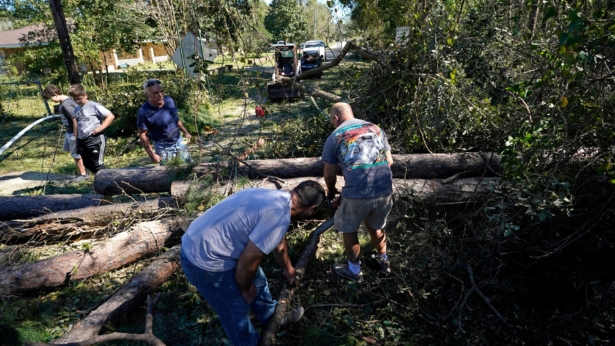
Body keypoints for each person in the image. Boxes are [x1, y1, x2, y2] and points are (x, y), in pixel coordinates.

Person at [180, 180, 326, 346]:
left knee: (258, 280)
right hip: (204, 261)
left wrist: (289, 268)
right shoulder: (278, 214)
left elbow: (277, 238)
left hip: (203, 243)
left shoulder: (273, 198)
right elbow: (247, 262)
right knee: (235, 311)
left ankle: (273, 318)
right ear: (311, 209)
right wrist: (246, 289)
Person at [322, 102, 394, 282]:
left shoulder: (335, 136)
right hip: (384, 190)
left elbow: (329, 175)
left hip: (356, 194)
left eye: (332, 120)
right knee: (376, 226)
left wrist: (331, 191)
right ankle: (384, 261)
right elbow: (390, 161)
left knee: (349, 227)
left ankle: (354, 270)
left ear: (336, 118)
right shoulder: (375, 128)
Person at [137, 78, 192, 165]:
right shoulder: (144, 112)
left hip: (179, 142)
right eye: (155, 93)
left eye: (161, 91)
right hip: (163, 148)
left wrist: (185, 132)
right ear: (147, 94)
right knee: (168, 175)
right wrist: (152, 155)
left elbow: (175, 119)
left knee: (188, 168)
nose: (160, 95)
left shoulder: (169, 101)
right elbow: (142, 134)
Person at [41, 85, 88, 182]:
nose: (51, 101)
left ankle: (83, 174)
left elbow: (75, 119)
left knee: (76, 154)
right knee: (70, 150)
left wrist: (75, 135)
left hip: (73, 133)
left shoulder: (66, 104)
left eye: (51, 98)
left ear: (55, 95)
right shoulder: (66, 101)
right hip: (69, 131)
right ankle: (83, 169)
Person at [68, 84, 115, 174]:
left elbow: (110, 116)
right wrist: (77, 140)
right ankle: (103, 179)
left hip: (95, 138)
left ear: (85, 95)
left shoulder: (94, 106)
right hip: (82, 140)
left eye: (79, 98)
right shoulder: (77, 109)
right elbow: (78, 124)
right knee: (87, 163)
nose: (77, 101)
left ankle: (110, 181)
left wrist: (99, 129)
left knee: (97, 164)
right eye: (74, 99)